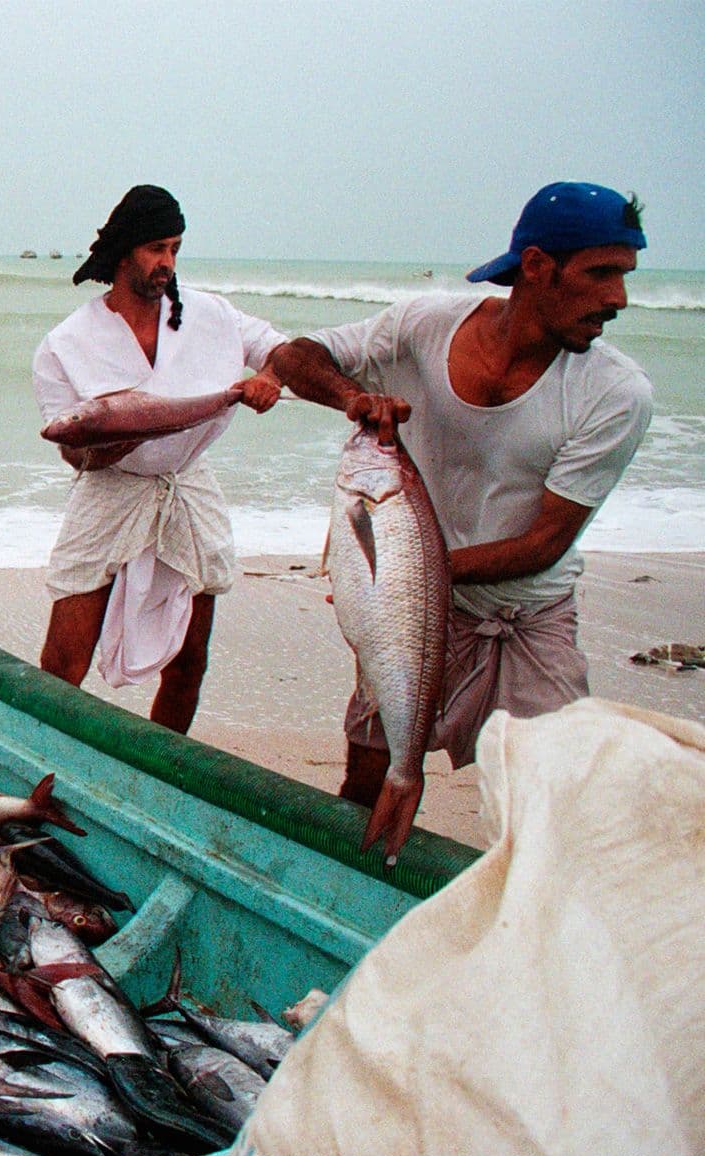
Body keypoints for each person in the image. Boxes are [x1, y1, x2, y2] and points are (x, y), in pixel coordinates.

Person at [269, 181, 653, 854]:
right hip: (413, 608)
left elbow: (544, 544)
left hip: (525, 618)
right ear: (536, 266)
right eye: (601, 273)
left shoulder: (617, 394)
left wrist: (402, 576)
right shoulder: (424, 324)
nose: (617, 299)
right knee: (368, 778)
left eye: (623, 277)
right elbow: (292, 358)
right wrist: (355, 399)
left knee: (553, 812)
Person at [34, 185, 285, 732]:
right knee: (60, 663)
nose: (167, 263)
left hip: (189, 485)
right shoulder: (64, 343)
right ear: (124, 253)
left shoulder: (213, 316)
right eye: (156, 249)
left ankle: (163, 765)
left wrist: (269, 377)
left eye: (174, 248)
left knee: (190, 662)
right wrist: (104, 449)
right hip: (111, 490)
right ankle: (45, 759)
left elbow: (284, 351)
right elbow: (74, 452)